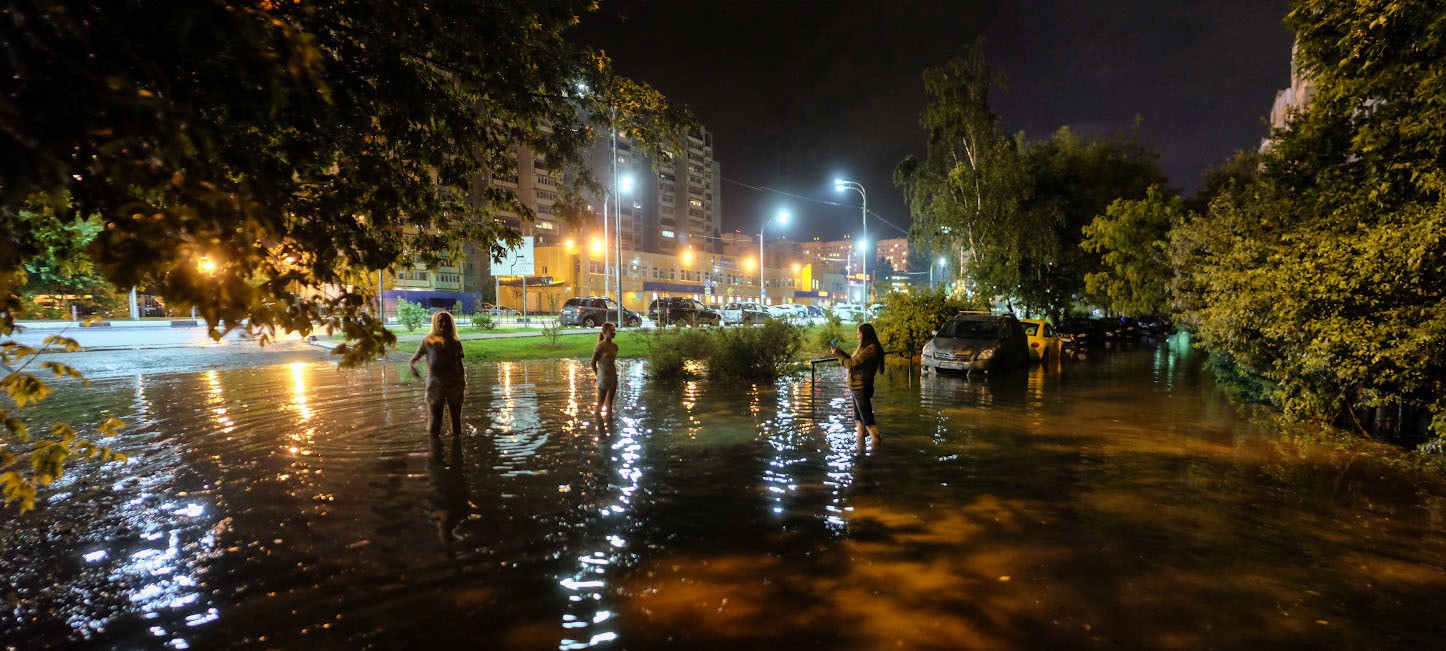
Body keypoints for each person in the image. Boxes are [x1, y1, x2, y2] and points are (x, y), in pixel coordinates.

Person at [408, 310, 466, 438]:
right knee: (434, 423)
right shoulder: (428, 341)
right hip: (435, 386)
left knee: (456, 424)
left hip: (455, 385)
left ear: (451, 324)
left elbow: (460, 365)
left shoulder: (455, 342)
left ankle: (457, 452)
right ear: (435, 323)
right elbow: (413, 359)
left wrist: (462, 382)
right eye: (441, 321)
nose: (444, 324)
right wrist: (413, 368)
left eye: (447, 321)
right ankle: (435, 452)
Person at [832, 322, 884, 451]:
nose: (858, 337)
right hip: (856, 388)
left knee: (868, 422)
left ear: (865, 334)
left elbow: (851, 364)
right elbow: (852, 359)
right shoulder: (864, 347)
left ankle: (876, 452)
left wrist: (839, 356)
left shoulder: (871, 349)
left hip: (861, 388)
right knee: (859, 421)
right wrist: (840, 352)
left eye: (859, 334)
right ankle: (860, 451)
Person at [591, 321, 619, 416]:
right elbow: (593, 363)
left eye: (614, 330)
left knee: (610, 403)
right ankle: (599, 425)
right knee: (600, 403)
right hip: (603, 376)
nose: (613, 332)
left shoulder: (615, 346)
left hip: (613, 376)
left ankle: (610, 425)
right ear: (605, 332)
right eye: (611, 330)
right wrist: (597, 375)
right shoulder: (600, 346)